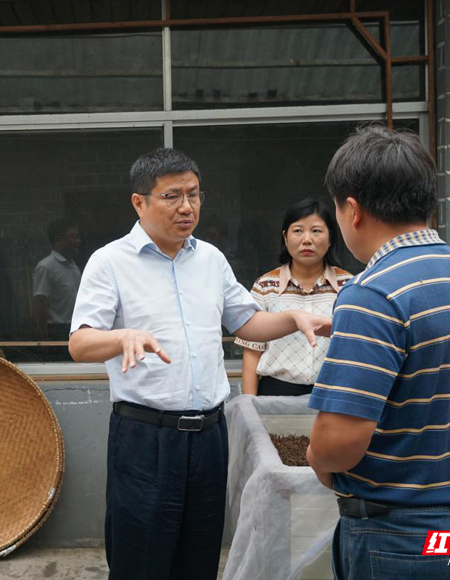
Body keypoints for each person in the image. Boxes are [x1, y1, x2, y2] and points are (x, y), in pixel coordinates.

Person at [68, 147, 331, 579]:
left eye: (193, 194)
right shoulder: (110, 261)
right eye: (172, 196)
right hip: (146, 439)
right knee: (141, 561)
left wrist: (292, 318)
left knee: (200, 557)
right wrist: (122, 336)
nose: (187, 207)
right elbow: (80, 343)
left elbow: (246, 321)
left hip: (209, 437)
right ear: (139, 202)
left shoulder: (210, 259)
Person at [305, 126, 450, 579]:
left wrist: (317, 458)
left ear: (353, 209)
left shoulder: (371, 293)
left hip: (404, 537)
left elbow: (338, 444)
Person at [237, 198, 353, 396]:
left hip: (333, 393)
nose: (307, 239)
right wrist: (249, 403)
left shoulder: (348, 286)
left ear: (330, 237)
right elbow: (252, 352)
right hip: (275, 393)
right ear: (285, 237)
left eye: (316, 231)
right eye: (298, 231)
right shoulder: (265, 286)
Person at [32, 219, 82, 341]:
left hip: (75, 329)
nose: (78, 241)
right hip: (56, 331)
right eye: (73, 237)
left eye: (78, 237)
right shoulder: (46, 267)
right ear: (58, 240)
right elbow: (40, 302)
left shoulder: (74, 267)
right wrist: (43, 336)